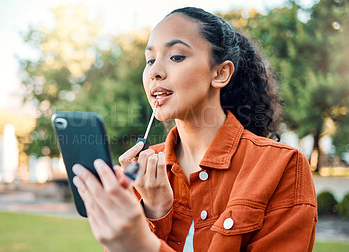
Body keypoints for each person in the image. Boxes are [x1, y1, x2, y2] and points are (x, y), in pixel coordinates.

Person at [72, 7, 317, 252]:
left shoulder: (283, 167)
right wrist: (154, 212)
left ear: (220, 73)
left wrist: (141, 242)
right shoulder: (141, 174)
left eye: (176, 56)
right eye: (150, 60)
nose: (155, 72)